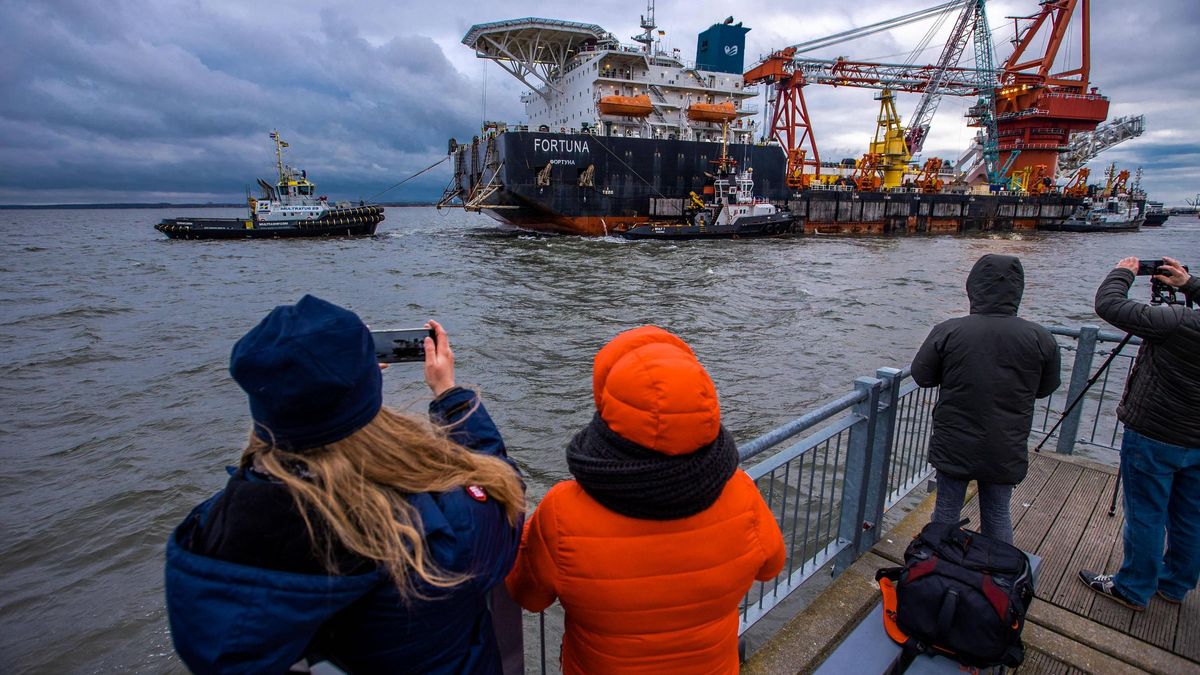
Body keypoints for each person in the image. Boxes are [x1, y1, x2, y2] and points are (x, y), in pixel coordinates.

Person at [164, 295, 525, 673]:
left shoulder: (208, 535)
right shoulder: (437, 532)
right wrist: (449, 394)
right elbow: (504, 496)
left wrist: (339, 382)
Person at [505, 325, 786, 673]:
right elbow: (771, 566)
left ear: (609, 409)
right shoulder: (740, 491)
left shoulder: (563, 512)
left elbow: (528, 595)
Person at [911, 254, 1061, 544]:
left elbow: (922, 376)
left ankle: (940, 564)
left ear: (974, 287)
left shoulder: (949, 330)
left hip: (955, 441)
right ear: (1017, 290)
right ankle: (997, 568)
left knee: (946, 510)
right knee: (997, 513)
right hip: (1005, 443)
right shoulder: (1040, 337)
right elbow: (1046, 388)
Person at [1079, 256, 1200, 611]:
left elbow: (1109, 305)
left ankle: (1133, 587)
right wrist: (1189, 284)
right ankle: (1175, 584)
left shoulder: (1178, 322)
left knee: (1147, 513)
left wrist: (1124, 272)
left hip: (1156, 434)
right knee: (1190, 515)